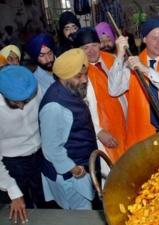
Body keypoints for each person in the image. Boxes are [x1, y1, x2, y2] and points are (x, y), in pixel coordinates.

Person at [108, 18, 159, 147]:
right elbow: (114, 89)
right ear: (144, 39)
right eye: (154, 38)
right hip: (142, 134)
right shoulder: (132, 64)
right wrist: (120, 54)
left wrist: (145, 69)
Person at [39, 48, 97, 209]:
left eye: (85, 74)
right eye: (79, 76)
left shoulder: (69, 89)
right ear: (63, 77)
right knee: (80, 216)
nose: (85, 80)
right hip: (68, 175)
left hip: (79, 165)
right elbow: (51, 148)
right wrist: (72, 168)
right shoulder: (54, 106)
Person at [0, 65, 54, 224]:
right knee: (22, 213)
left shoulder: (34, 88)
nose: (22, 106)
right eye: (16, 102)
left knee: (48, 205)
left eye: (26, 101)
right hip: (11, 164)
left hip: (40, 155)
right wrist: (13, 191)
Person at [73, 27, 127, 164]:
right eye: (85, 47)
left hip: (125, 125)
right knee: (110, 173)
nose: (91, 51)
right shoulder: (77, 74)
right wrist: (98, 132)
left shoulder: (113, 60)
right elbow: (79, 110)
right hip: (102, 134)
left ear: (100, 45)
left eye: (94, 45)